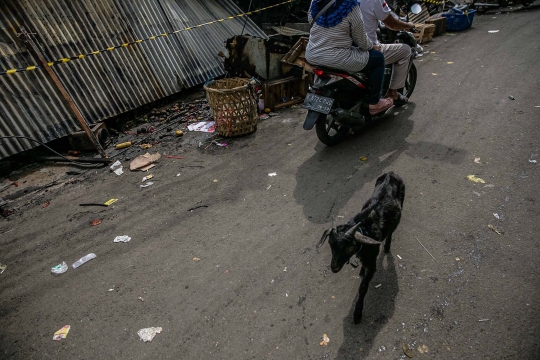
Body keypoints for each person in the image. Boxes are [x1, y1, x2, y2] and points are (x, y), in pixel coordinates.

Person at [305, 0, 393, 115]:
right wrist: (372, 46)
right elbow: (362, 41)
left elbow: (310, 21)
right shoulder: (350, 6)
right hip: (337, 57)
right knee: (378, 58)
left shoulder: (315, 2)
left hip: (313, 54)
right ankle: (374, 103)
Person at [359, 0, 415, 105]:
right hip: (363, 49)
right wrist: (408, 25)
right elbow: (393, 24)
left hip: (333, 49)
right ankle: (391, 93)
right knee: (405, 51)